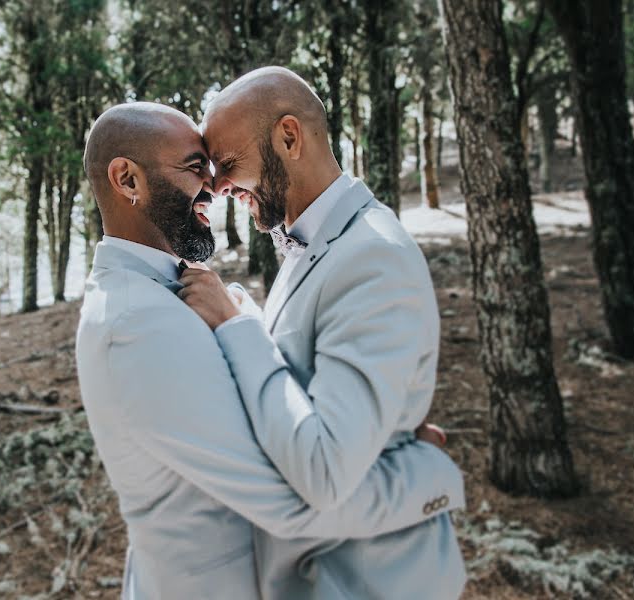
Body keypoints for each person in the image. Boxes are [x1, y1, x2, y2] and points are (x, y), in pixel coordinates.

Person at [75, 101, 465, 599]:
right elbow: (287, 500)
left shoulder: (162, 295)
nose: (214, 187)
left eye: (220, 166)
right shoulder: (136, 323)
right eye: (197, 168)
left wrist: (375, 437)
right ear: (128, 180)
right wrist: (426, 474)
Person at [179, 66, 466, 599]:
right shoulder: (315, 242)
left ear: (289, 137)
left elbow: (325, 471)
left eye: (229, 163)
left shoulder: (372, 255)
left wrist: (239, 328)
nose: (216, 186)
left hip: (369, 582)